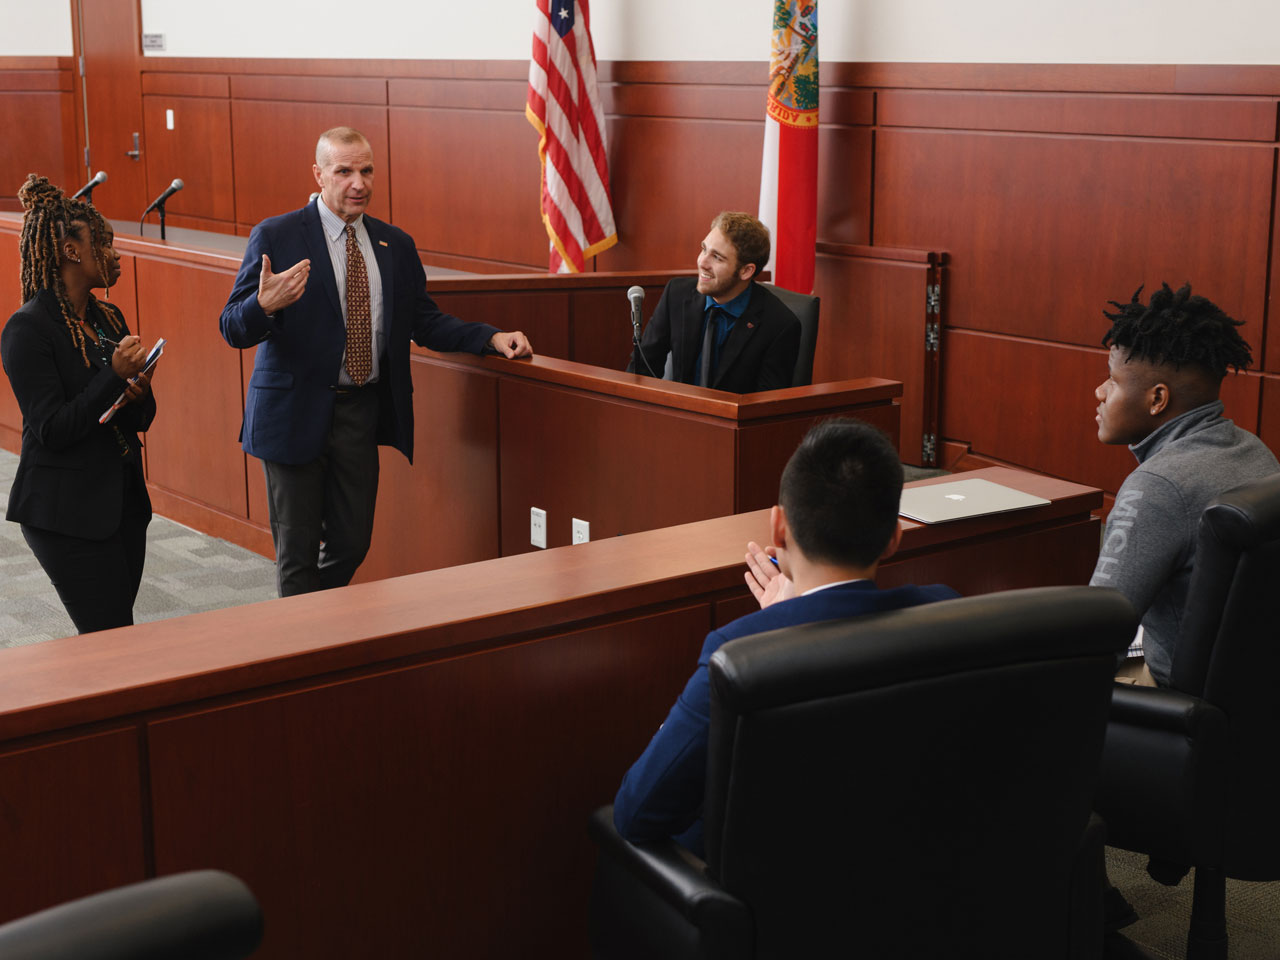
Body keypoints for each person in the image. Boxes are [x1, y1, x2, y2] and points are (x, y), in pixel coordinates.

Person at [612, 418, 958, 856]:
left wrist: (776, 631)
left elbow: (638, 812)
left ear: (777, 528)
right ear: (893, 539)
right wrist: (788, 618)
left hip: (761, 907)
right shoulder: (946, 612)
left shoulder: (738, 652)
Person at [219, 126, 533, 596]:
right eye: (344, 171)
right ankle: (304, 653)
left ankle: (304, 620)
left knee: (352, 542)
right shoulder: (278, 234)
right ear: (319, 175)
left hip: (358, 413)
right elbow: (231, 327)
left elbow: (424, 321)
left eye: (366, 170)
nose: (358, 183)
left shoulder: (394, 245)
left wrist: (490, 338)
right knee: (297, 552)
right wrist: (262, 306)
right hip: (292, 412)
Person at [1089, 283, 1279, 688]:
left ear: (1157, 399)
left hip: (1176, 705)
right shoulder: (1255, 451)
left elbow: (1097, 638)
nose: (1100, 392)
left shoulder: (1157, 487)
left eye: (1112, 380)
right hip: (1252, 698)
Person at [1, 174, 156, 633]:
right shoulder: (28, 329)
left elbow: (139, 418)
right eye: (104, 244)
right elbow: (52, 429)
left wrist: (138, 392)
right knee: (109, 635)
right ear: (71, 251)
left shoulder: (107, 316)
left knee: (111, 634)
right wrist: (114, 377)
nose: (116, 254)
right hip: (64, 512)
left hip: (121, 502)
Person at [627, 211, 800, 393]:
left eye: (717, 257)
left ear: (746, 271)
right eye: (704, 249)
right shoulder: (677, 294)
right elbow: (642, 370)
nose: (702, 262)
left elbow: (765, 409)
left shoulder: (779, 325)